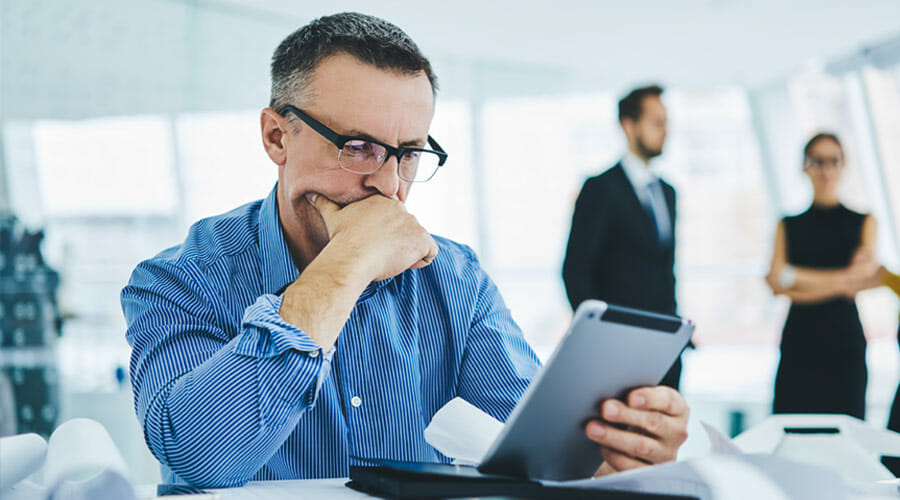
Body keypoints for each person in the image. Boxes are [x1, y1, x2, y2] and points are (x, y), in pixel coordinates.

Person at [120, 13, 689, 488]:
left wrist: (614, 452)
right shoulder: (179, 280)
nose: (390, 187)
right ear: (277, 136)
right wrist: (346, 265)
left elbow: (533, 451)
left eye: (409, 153)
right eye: (359, 147)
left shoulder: (455, 278)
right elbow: (197, 456)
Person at [562, 85, 683, 389]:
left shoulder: (667, 192)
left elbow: (663, 270)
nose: (665, 131)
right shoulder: (599, 189)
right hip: (616, 353)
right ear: (629, 126)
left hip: (665, 348)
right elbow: (575, 271)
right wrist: (600, 339)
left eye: (666, 122)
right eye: (657, 122)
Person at [765, 133, 880, 419]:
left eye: (833, 161)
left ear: (843, 166)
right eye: (818, 161)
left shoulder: (864, 221)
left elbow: (859, 282)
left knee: (845, 437)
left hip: (844, 344)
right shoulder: (788, 224)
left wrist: (797, 279)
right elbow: (776, 281)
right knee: (792, 433)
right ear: (805, 166)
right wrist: (842, 281)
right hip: (799, 344)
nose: (826, 170)